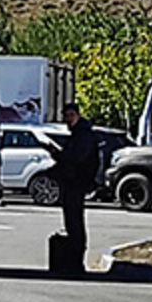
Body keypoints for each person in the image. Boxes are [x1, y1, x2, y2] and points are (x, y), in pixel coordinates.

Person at [43, 102, 99, 272]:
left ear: (78, 115)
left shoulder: (84, 135)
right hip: (73, 183)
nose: (68, 120)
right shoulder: (77, 134)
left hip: (78, 183)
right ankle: (73, 259)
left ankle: (76, 260)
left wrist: (58, 155)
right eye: (66, 116)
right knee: (72, 222)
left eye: (71, 116)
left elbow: (77, 158)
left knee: (75, 223)